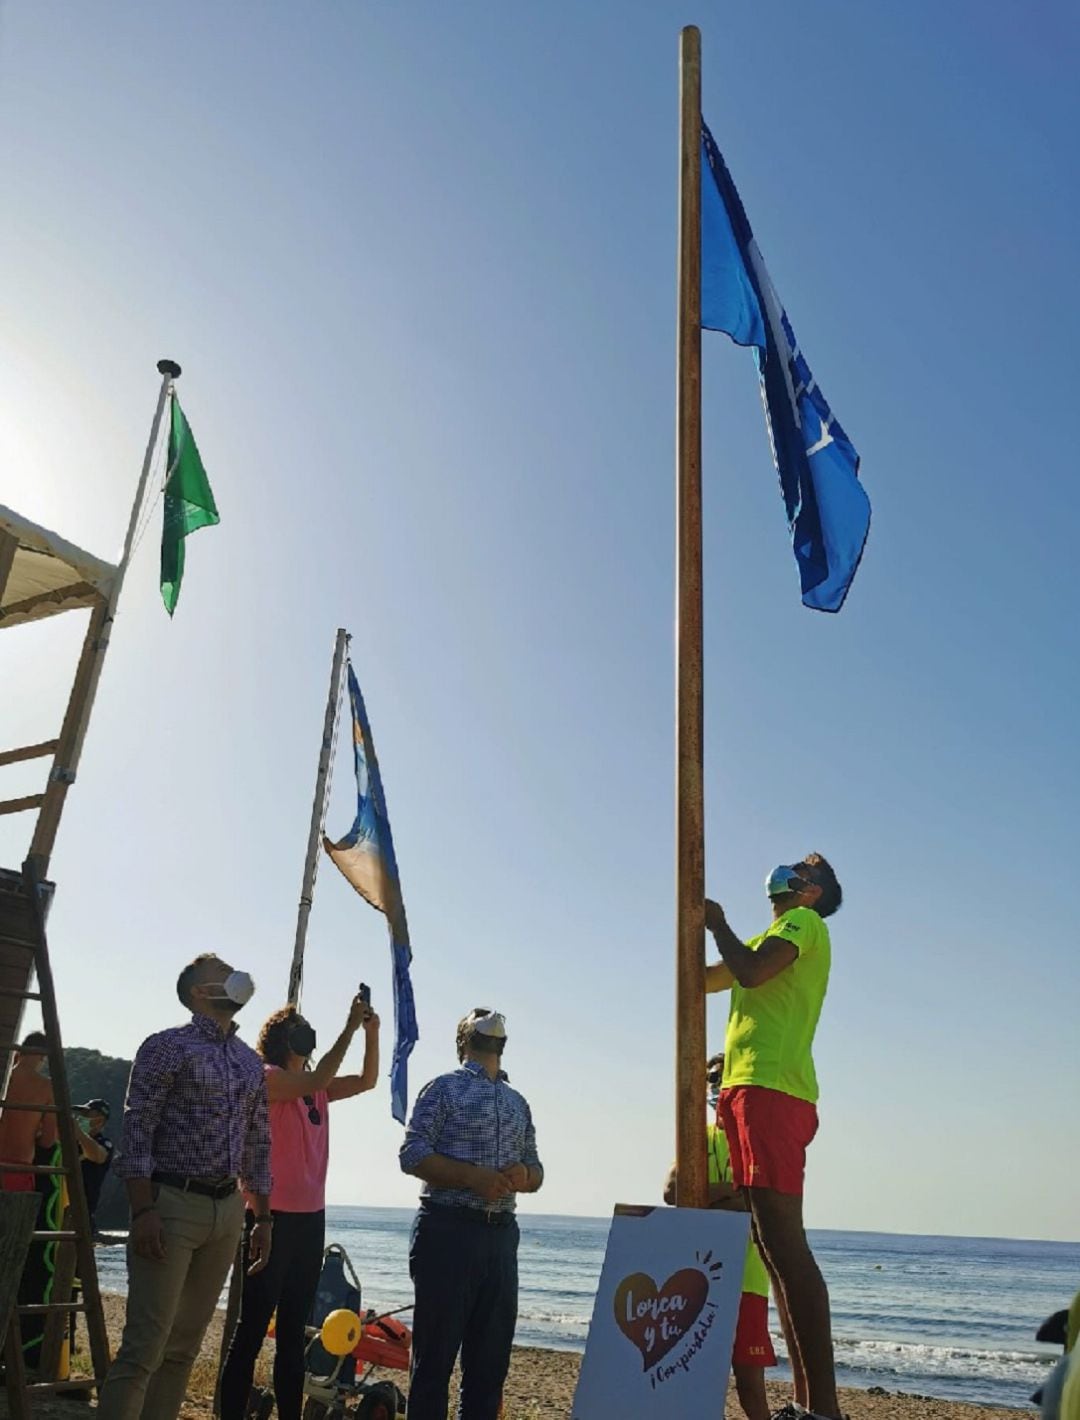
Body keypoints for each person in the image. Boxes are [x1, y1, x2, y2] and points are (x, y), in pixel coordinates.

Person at [96, 954, 272, 1420]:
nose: (234, 975)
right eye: (221, 970)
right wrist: (142, 1210)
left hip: (228, 1208)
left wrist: (263, 1216)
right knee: (143, 1348)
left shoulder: (249, 1062)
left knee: (183, 1349)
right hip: (170, 1202)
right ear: (198, 991)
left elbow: (258, 1139)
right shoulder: (166, 1047)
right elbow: (138, 1128)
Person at [704, 854, 844, 1420]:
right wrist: (696, 929)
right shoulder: (766, 937)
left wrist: (714, 922)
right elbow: (713, 979)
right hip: (745, 1089)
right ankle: (808, 1404)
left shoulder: (805, 925)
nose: (784, 872)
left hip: (773, 1089)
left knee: (785, 1246)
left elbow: (751, 972)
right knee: (770, 1246)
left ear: (811, 892)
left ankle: (825, 1410)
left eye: (800, 869)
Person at [219, 991, 381, 1420]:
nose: (306, 1036)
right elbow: (313, 1079)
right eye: (298, 1030)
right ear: (280, 1040)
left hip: (311, 1218)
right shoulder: (267, 1077)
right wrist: (347, 1027)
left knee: (292, 1332)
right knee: (251, 1329)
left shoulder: (318, 1089)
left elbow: (366, 1081)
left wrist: (371, 1032)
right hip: (269, 1217)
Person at [400, 1008, 544, 1420]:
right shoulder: (443, 1089)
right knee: (434, 1363)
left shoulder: (518, 1102)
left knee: (489, 1368)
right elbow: (412, 1154)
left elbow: (537, 1168)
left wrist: (525, 1174)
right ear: (465, 1043)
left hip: (499, 1235)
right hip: (448, 1229)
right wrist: (471, 1178)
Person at [663, 1053, 776, 1420]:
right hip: (698, 1278)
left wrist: (703, 1196)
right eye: (711, 1079)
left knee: (749, 1386)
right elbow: (671, 1192)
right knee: (698, 1380)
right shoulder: (697, 1136)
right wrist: (726, 1193)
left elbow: (754, 1205)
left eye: (722, 1078)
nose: (716, 1086)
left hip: (747, 1279)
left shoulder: (756, 1137)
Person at [0, 1031, 57, 1192]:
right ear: (42, 1056)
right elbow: (48, 1141)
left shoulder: (5, 1077)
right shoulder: (47, 1088)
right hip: (18, 1165)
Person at [73, 1097, 114, 1230]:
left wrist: (78, 1133)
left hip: (82, 1212)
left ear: (100, 1121)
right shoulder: (70, 1140)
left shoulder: (104, 1143)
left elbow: (98, 1155)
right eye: (81, 1114)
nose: (81, 1118)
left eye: (87, 1114)